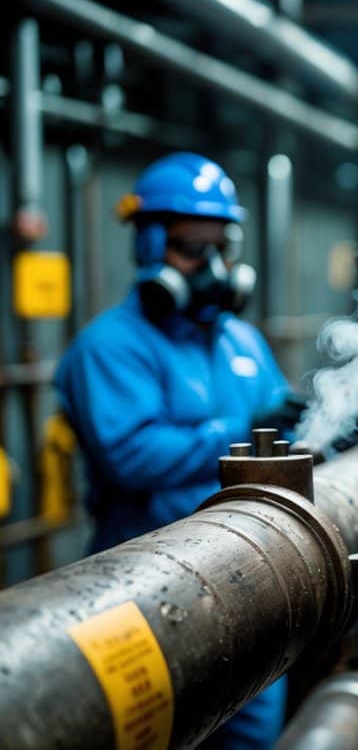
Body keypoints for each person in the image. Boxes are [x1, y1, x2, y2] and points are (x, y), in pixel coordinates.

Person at [56, 152, 302, 749]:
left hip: (250, 584)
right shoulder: (110, 347)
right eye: (191, 248)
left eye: (221, 248)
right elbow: (131, 455)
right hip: (146, 595)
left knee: (250, 736)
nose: (211, 267)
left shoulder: (241, 340)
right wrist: (241, 429)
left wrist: (325, 432)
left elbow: (280, 437)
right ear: (149, 247)